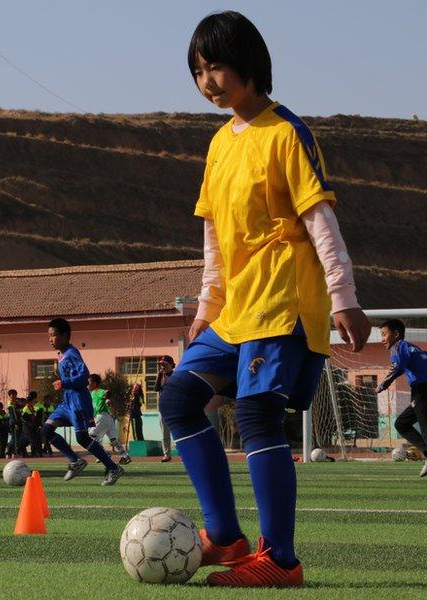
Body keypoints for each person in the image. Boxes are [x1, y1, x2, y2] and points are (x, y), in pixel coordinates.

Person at [157, 11, 371, 587]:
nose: (207, 81)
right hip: (236, 310)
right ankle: (225, 538)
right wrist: (207, 307)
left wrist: (343, 294)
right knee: (179, 399)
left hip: (284, 301)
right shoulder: (219, 144)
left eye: (216, 66)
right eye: (197, 71)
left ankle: (279, 559)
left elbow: (319, 217)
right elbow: (216, 238)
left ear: (249, 63)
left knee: (255, 414)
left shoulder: (287, 132)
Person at [43, 318, 124, 485]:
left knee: (83, 439)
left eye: (53, 335)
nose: (50, 339)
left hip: (78, 402)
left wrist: (64, 383)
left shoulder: (72, 353)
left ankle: (113, 468)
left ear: (65, 336)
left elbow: (84, 375)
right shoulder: (63, 354)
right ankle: (75, 461)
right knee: (46, 430)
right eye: (49, 336)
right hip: (67, 402)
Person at [376, 319, 427, 477]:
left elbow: (397, 366)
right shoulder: (413, 348)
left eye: (384, 334)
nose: (382, 339)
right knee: (402, 423)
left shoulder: (399, 345)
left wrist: (382, 384)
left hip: (423, 389)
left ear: (396, 334)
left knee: (425, 428)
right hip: (420, 389)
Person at [88, 374, 130, 465]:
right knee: (113, 439)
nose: (87, 384)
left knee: (90, 436)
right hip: (107, 418)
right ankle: (125, 456)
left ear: (94, 384)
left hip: (101, 416)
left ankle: (104, 454)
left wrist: (107, 399)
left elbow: (108, 392)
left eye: (89, 382)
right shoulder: (91, 393)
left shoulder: (98, 391)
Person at [155, 356, 176, 463]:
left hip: (175, 407)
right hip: (162, 408)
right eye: (161, 365)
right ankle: (166, 454)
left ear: (172, 365)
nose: (162, 367)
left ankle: (183, 454)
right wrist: (159, 376)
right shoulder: (160, 376)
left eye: (165, 364)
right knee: (164, 433)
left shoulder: (176, 375)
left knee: (177, 431)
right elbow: (156, 388)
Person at [6, 389, 27, 458]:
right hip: (14, 423)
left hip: (19, 422)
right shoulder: (10, 404)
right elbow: (14, 415)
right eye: (12, 395)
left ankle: (9, 452)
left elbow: (22, 405)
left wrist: (22, 403)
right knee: (15, 438)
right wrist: (16, 423)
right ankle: (13, 453)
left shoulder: (16, 403)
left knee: (17, 438)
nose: (14, 396)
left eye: (15, 395)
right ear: (9, 396)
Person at [22, 392, 41, 457]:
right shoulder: (26, 408)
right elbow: (24, 419)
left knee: (27, 441)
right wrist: (29, 424)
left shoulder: (33, 407)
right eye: (30, 400)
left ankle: (21, 448)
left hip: (33, 426)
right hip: (27, 427)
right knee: (32, 440)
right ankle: (33, 454)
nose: (32, 401)